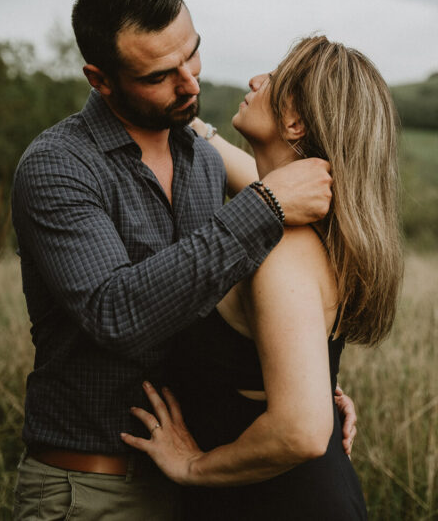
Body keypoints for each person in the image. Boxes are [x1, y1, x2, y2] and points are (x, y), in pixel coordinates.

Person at [11, 0, 356, 520]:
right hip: (94, 488)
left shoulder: (201, 159)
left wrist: (302, 388)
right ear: (100, 79)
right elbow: (118, 313)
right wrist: (262, 207)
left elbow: (214, 306)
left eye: (192, 54)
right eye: (159, 75)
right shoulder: (58, 167)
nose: (191, 83)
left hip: (203, 480)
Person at [121, 36, 403, 520]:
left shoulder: (284, 251)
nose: (255, 81)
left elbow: (302, 430)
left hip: (279, 503)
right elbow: (259, 185)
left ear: (294, 122)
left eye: (273, 79)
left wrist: (193, 467)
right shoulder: (315, 223)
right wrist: (180, 108)